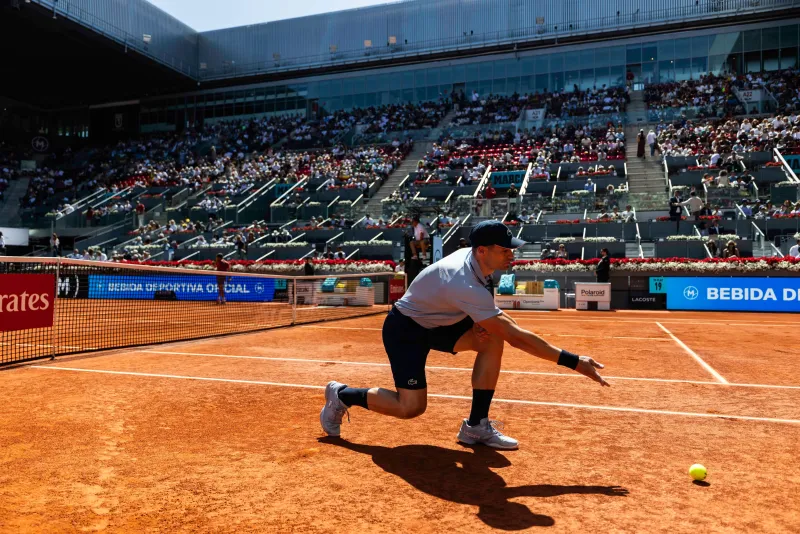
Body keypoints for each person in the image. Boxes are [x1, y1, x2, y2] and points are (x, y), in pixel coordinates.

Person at [320, 220, 609, 448]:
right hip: (406, 330)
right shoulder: (462, 280)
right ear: (482, 250)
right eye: (504, 249)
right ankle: (342, 395)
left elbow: (501, 322)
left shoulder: (475, 260)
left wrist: (480, 321)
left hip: (441, 323)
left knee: (492, 338)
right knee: (410, 408)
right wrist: (574, 361)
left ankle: (476, 425)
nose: (512, 254)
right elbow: (516, 336)